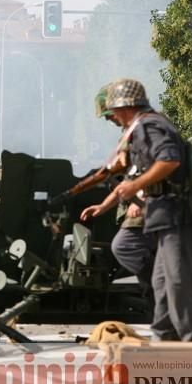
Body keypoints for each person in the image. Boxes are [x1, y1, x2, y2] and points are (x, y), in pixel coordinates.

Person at [88, 78, 192, 341]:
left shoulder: (151, 125)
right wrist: (106, 203)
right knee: (162, 283)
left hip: (175, 212)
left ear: (124, 106)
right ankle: (164, 335)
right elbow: (134, 174)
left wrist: (135, 188)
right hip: (162, 213)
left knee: (178, 280)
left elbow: (170, 160)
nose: (113, 118)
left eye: (114, 111)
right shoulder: (141, 128)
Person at [81, 85, 155, 296]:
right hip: (148, 205)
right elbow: (130, 177)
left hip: (155, 205)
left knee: (125, 246)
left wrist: (140, 196)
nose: (109, 119)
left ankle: (164, 286)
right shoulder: (131, 133)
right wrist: (103, 206)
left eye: (109, 114)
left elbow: (161, 166)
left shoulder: (146, 129)